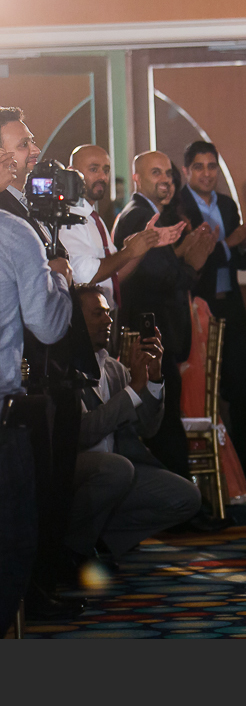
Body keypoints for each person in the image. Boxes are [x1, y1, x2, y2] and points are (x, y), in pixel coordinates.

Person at [62, 285, 201, 576]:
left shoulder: (113, 368)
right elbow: (83, 433)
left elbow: (149, 428)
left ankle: (97, 540)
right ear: (73, 319)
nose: (108, 320)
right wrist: (133, 389)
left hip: (117, 470)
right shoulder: (63, 369)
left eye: (108, 314)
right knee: (116, 470)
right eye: (98, 314)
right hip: (72, 471)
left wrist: (153, 379)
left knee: (186, 497)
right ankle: (68, 552)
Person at [112, 151, 218, 489]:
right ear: (137, 179)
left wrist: (184, 253)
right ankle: (180, 507)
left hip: (156, 336)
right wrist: (194, 264)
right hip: (149, 338)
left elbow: (162, 270)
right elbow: (164, 280)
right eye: (156, 173)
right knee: (163, 424)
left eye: (169, 174)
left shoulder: (150, 214)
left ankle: (177, 504)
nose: (166, 180)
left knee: (164, 420)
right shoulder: (140, 217)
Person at [179, 141, 246, 503]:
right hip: (196, 311)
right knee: (200, 399)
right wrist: (230, 242)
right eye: (199, 167)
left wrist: (244, 244)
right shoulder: (180, 208)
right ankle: (202, 487)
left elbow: (240, 263)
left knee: (242, 397)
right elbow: (196, 263)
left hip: (230, 308)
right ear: (187, 172)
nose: (207, 173)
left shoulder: (226, 205)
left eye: (211, 166)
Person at [0, 205, 74, 630]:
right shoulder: (14, 232)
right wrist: (60, 279)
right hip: (3, 420)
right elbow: (46, 325)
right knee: (12, 549)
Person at [62, 145, 182, 314]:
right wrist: (128, 252)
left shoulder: (93, 219)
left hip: (107, 318)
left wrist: (142, 246)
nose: (102, 176)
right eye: (94, 169)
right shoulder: (68, 218)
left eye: (106, 170)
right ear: (71, 172)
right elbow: (87, 276)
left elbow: (114, 277)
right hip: (86, 321)